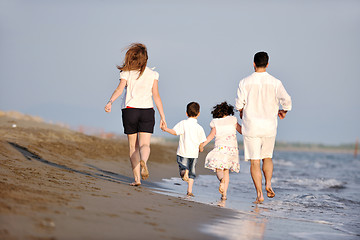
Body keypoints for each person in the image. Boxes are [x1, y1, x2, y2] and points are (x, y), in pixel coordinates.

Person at [105, 43, 166, 186]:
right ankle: (144, 160)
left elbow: (119, 90)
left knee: (133, 147)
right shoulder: (153, 74)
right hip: (147, 111)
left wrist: (110, 102)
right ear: (145, 58)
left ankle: (137, 179)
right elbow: (156, 96)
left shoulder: (126, 73)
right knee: (145, 144)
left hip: (130, 110)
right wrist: (163, 117)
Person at [235, 51, 292, 203]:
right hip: (269, 126)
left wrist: (241, 110)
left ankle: (259, 194)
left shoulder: (244, 82)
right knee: (267, 157)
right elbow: (287, 100)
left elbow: (239, 104)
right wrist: (283, 111)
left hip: (251, 126)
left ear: (253, 64)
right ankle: (268, 184)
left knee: (255, 161)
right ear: (267, 64)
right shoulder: (275, 82)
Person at [161, 102, 206, 197]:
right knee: (192, 173)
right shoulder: (199, 128)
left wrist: (166, 129)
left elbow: (175, 132)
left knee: (182, 168)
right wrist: (201, 148)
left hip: (183, 152)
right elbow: (201, 142)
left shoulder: (183, 123)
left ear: (186, 113)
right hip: (193, 154)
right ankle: (189, 191)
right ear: (199, 113)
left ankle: (184, 171)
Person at [200, 102, 242, 200]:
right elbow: (242, 131)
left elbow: (211, 136)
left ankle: (221, 180)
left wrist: (202, 145)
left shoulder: (216, 122)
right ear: (229, 111)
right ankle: (224, 195)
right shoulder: (233, 120)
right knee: (226, 171)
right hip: (232, 150)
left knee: (219, 170)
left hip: (220, 149)